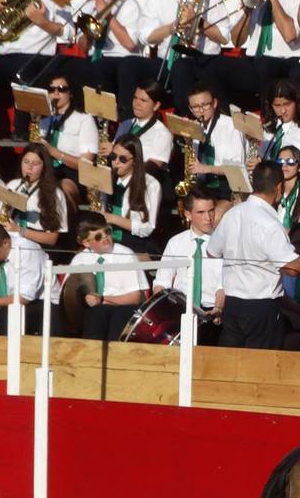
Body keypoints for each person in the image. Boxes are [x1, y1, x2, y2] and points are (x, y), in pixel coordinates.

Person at [206, 161, 300, 350]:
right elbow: (292, 268)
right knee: (260, 369)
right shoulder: (270, 223)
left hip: (233, 306)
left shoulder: (232, 214)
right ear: (279, 187)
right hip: (261, 309)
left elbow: (211, 252)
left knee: (232, 367)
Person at [137, 0, 231, 112]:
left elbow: (224, 37)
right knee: (128, 64)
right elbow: (144, 36)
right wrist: (172, 27)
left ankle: (184, 123)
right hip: (166, 62)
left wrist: (199, 21)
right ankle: (128, 121)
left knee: (182, 67)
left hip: (203, 63)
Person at [0, 0, 73, 138]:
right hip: (7, 55)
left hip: (37, 56)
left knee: (23, 72)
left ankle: (21, 132)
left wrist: (41, 21)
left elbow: (70, 33)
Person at [67, 0, 145, 122]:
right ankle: (81, 118)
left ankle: (112, 118)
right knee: (68, 66)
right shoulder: (89, 4)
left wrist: (108, 15)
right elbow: (83, 47)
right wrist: (88, 32)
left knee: (100, 67)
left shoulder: (130, 5)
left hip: (122, 58)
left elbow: (130, 44)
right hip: (98, 58)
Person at [154, 190, 224, 345]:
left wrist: (218, 308)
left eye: (211, 211)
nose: (208, 218)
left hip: (211, 312)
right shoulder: (176, 243)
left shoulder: (224, 243)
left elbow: (223, 285)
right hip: (181, 311)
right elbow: (161, 283)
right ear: (188, 214)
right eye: (201, 212)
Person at [70, 213, 147, 341]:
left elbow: (135, 297)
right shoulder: (80, 260)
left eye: (107, 231)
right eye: (98, 236)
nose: (106, 238)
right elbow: (70, 296)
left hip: (123, 309)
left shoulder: (125, 255)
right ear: (86, 243)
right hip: (93, 312)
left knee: (105, 313)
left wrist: (103, 299)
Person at [6, 144, 74, 259]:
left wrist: (20, 230)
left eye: (35, 164)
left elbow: (52, 239)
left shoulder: (55, 194)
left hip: (38, 249)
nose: (29, 168)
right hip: (11, 243)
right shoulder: (13, 185)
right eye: (26, 162)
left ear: (44, 167)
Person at [37, 71, 97, 201]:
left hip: (72, 174)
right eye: (51, 90)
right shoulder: (43, 120)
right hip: (45, 170)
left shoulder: (84, 119)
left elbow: (86, 165)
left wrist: (54, 152)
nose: (56, 93)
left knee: (62, 191)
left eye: (61, 89)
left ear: (71, 93)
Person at [183, 81, 246, 202]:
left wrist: (205, 168)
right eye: (195, 107)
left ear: (215, 103)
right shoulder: (194, 127)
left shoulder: (231, 126)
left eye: (205, 105)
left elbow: (237, 169)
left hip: (227, 189)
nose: (201, 110)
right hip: (202, 186)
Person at [102, 135, 163, 256]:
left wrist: (112, 218)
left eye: (123, 159)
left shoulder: (151, 184)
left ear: (135, 161)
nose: (116, 162)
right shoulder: (106, 177)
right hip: (108, 242)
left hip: (137, 246)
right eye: (113, 156)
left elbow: (148, 228)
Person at [109, 81, 174, 176]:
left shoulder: (163, 134)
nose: (136, 104)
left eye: (143, 100)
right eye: (135, 98)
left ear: (156, 105)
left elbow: (151, 169)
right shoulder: (125, 124)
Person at [258, 80, 300, 171]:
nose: (282, 111)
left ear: (297, 102)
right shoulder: (271, 126)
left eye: (287, 104)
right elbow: (263, 157)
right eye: (277, 105)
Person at [0, 222, 48, 336]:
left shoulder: (27, 251)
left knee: (7, 314)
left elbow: (25, 297)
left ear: (5, 243)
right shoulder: (1, 250)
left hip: (41, 304)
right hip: (8, 302)